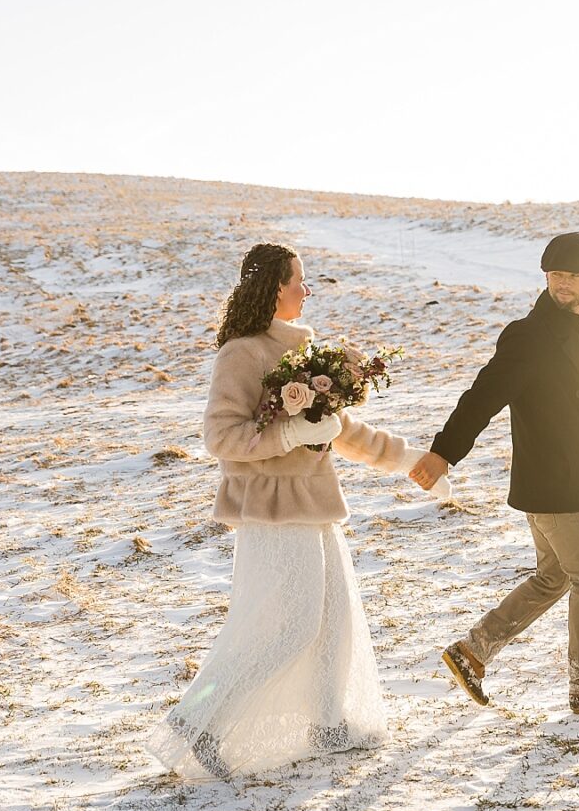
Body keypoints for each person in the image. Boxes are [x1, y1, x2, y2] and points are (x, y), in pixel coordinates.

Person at [146, 242, 443, 781]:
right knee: (294, 626)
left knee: (333, 621)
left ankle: (328, 725)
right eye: (299, 280)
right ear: (272, 288)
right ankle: (200, 720)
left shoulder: (305, 352)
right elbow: (221, 437)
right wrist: (289, 432)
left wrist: (409, 459)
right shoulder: (242, 352)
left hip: (314, 505)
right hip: (270, 512)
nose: (307, 290)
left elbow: (342, 430)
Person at [408, 232, 579, 717]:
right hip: (553, 480)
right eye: (555, 274)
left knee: (553, 577)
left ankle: (473, 651)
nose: (562, 283)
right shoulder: (529, 335)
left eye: (573, 276)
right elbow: (483, 396)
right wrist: (444, 453)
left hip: (574, 475)